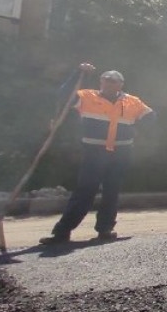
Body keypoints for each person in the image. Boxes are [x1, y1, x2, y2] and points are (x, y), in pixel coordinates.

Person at [40, 64, 155, 245]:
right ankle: (62, 233)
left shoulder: (132, 101)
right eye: (106, 80)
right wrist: (78, 73)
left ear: (121, 84)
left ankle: (105, 230)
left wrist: (138, 130)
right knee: (85, 191)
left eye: (113, 81)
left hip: (121, 153)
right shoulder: (87, 97)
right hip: (94, 153)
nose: (109, 84)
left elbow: (150, 117)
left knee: (112, 192)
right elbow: (64, 95)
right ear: (101, 81)